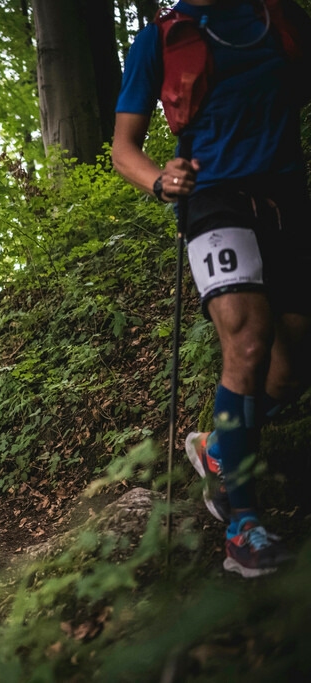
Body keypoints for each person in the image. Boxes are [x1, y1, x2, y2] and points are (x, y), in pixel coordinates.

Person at [112, 0, 311, 577]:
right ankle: (243, 527)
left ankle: (216, 448)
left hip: (286, 199)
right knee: (247, 345)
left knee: (289, 369)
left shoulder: (281, 20)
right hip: (212, 200)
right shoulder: (161, 39)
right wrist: (160, 179)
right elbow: (124, 149)